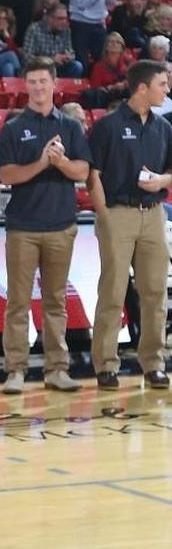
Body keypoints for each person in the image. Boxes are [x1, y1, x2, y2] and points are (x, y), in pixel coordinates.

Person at [0, 58, 91, 394]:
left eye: (43, 81)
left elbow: (81, 172)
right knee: (18, 303)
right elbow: (7, 176)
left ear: (54, 84)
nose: (38, 87)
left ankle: (56, 369)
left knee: (55, 302)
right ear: (25, 85)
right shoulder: (12, 127)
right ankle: (16, 371)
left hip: (62, 225)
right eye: (32, 81)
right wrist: (42, 162)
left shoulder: (71, 126)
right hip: (22, 226)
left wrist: (61, 161)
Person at [88, 60, 172, 390]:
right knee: (112, 290)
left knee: (154, 292)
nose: (166, 90)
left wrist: (163, 180)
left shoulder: (164, 127)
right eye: (162, 84)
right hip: (117, 213)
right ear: (142, 87)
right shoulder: (108, 126)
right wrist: (104, 215)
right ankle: (105, 364)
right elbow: (92, 175)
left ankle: (153, 363)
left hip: (153, 214)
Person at [23, 5, 83, 77]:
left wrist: (67, 57)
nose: (64, 22)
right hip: (39, 69)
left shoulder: (66, 30)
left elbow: (71, 52)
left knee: (77, 66)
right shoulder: (34, 29)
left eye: (66, 19)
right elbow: (27, 58)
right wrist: (51, 60)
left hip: (58, 68)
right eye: (60, 19)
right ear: (50, 18)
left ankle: (65, 87)